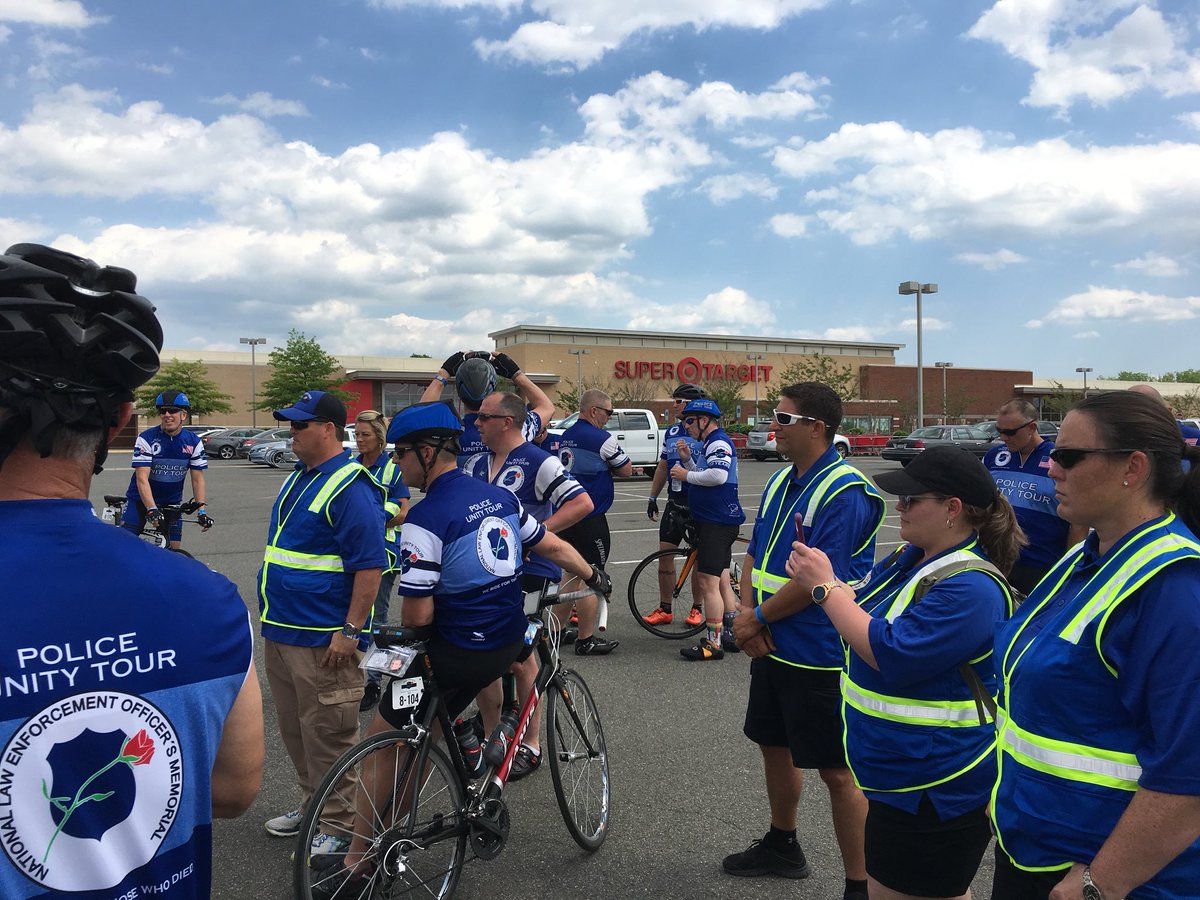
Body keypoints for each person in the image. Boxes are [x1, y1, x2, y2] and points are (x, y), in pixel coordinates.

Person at [0, 243, 263, 899]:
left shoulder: (188, 442)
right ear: (122, 422)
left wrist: (192, 509)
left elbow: (194, 480)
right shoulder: (210, 599)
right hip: (140, 535)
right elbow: (232, 790)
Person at [313, 402, 612, 897]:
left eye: (402, 454)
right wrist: (594, 576)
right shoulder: (498, 498)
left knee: (384, 742)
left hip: (451, 654)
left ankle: (358, 860)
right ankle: (489, 751)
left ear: (427, 454)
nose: (398, 464)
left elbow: (418, 617)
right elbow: (552, 547)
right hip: (502, 645)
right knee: (452, 709)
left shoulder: (425, 518)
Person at [786, 444, 1023, 900]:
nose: (899, 506)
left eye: (912, 499)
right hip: (902, 775)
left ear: (953, 509)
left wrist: (822, 587)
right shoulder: (913, 557)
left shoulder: (972, 586)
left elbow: (890, 651)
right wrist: (829, 582)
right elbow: (859, 605)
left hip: (935, 785)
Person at [990, 390, 1200, 900]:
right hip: (1034, 849)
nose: (1051, 469)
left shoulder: (1176, 588)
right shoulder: (1081, 559)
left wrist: (1100, 883)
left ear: (1133, 467)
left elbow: (1188, 776)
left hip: (1114, 878)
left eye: (1067, 456)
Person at [725, 383, 885, 899]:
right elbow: (754, 553)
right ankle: (782, 843)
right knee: (774, 745)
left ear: (817, 426)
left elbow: (817, 581)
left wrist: (753, 621)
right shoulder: (779, 481)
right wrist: (747, 611)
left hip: (816, 652)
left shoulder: (846, 492)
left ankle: (859, 884)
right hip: (770, 639)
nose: (774, 426)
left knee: (837, 772)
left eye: (784, 418)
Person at [258, 390, 387, 855]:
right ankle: (315, 803)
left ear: (328, 429)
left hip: (323, 639)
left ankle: (338, 824)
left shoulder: (351, 486)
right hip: (283, 630)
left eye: (299, 426)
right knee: (297, 730)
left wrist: (349, 632)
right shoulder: (300, 478)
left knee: (330, 733)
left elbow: (369, 568)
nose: (290, 435)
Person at [464, 389, 594, 778]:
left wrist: (534, 533)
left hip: (533, 571)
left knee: (522, 658)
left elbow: (581, 504)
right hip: (490, 572)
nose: (476, 424)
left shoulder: (541, 462)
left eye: (483, 418)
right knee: (485, 654)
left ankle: (531, 743)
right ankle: (492, 738)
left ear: (506, 421)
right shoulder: (475, 463)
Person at [983, 399, 1087, 594]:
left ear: (1031, 427)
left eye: (1010, 432)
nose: (1004, 437)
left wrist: (1070, 565)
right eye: (999, 430)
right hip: (996, 559)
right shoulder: (994, 456)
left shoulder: (1059, 458)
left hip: (1041, 564)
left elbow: (1079, 522)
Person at [557, 388, 631, 655]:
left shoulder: (566, 435)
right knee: (591, 575)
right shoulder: (602, 439)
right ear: (593, 411)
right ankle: (586, 639)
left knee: (568, 572)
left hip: (567, 513)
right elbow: (626, 468)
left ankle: (556, 631)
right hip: (590, 516)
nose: (608, 418)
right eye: (608, 412)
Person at [672, 397, 745, 660]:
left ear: (705, 421)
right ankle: (731, 632)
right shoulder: (709, 443)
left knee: (708, 583)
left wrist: (685, 475)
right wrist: (689, 462)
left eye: (689, 420)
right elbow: (707, 472)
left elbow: (718, 476)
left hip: (717, 522)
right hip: (715, 520)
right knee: (722, 580)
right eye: (683, 421)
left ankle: (713, 643)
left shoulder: (719, 442)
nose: (686, 426)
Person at [353, 409, 411, 712]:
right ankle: (355, 673)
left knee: (377, 619)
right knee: (353, 616)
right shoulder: (352, 466)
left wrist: (374, 519)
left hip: (383, 555)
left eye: (365, 434)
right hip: (353, 553)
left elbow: (403, 510)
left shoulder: (392, 468)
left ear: (379, 437)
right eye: (357, 434)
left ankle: (374, 680)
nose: (360, 440)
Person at [644, 383, 707, 628]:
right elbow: (662, 466)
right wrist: (652, 497)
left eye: (678, 401)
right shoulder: (670, 432)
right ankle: (665, 608)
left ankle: (697, 608)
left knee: (698, 559)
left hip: (699, 503)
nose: (673, 405)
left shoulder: (705, 432)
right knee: (665, 556)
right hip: (675, 501)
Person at [420, 350, 554, 465]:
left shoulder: (446, 431)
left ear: (459, 391)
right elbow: (547, 407)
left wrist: (443, 373)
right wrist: (516, 374)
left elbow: (421, 414)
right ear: (492, 388)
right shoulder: (515, 428)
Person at [120, 388, 213, 550]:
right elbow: (141, 478)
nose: (167, 415)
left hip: (171, 502)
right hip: (140, 501)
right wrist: (151, 509)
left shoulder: (193, 442)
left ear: (184, 415)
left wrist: (201, 511)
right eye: (163, 411)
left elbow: (197, 479)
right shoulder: (147, 438)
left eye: (173, 411)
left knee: (174, 550)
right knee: (127, 547)